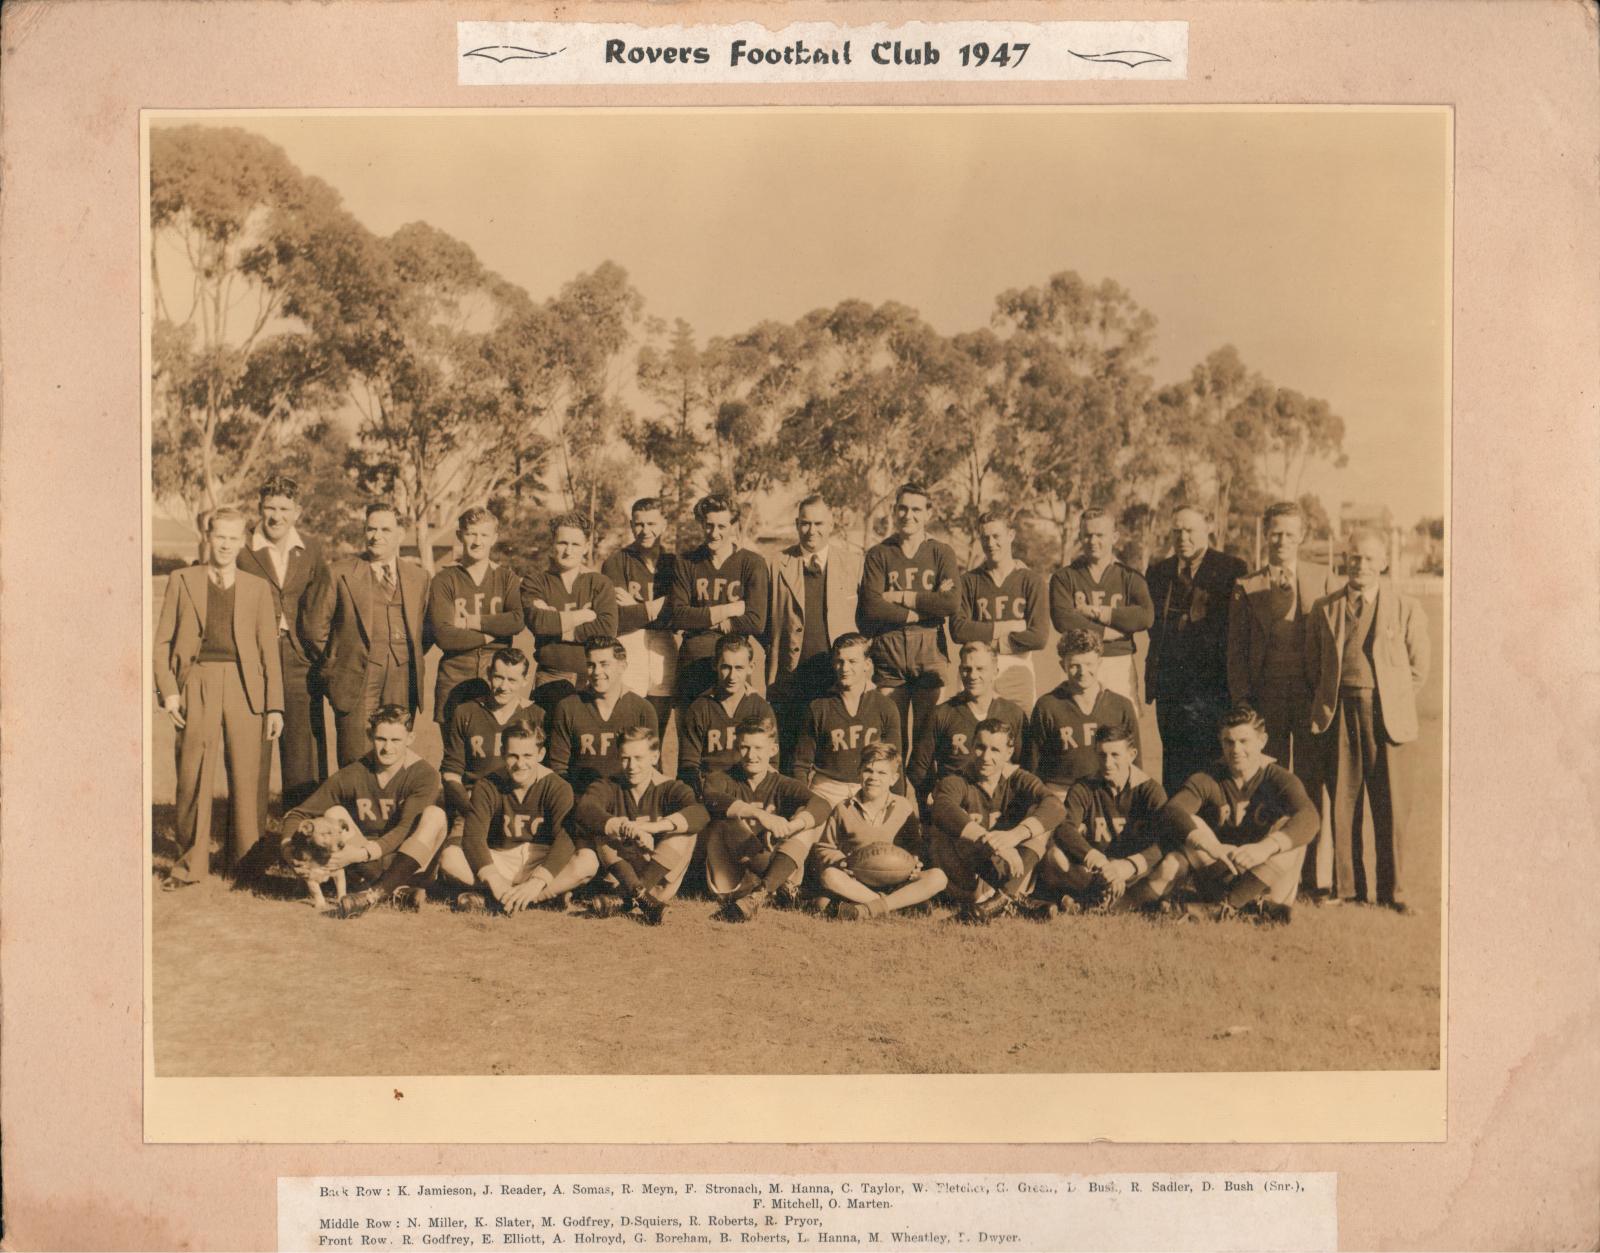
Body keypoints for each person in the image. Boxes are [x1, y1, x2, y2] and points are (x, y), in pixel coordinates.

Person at [154, 507, 285, 886]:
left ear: (243, 540)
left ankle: (244, 867)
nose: (226, 544)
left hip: (246, 688)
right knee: (192, 774)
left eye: (233, 537)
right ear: (208, 537)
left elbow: (267, 650)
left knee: (246, 777)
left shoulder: (257, 588)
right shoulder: (182, 579)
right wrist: (170, 693)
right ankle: (188, 867)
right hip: (197, 682)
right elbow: (162, 642)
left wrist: (274, 705)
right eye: (220, 537)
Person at [1306, 528, 1430, 912]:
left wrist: (1388, 698)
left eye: (1369, 558)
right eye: (1354, 557)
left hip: (1386, 716)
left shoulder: (1405, 607)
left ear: (1384, 563)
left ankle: (1394, 892)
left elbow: (1419, 669)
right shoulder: (1325, 607)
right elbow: (1314, 666)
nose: (1360, 565)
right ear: (1345, 560)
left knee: (1390, 805)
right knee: (1344, 803)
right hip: (1340, 712)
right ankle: (1348, 890)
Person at [1226, 500, 1337, 893]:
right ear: (1265, 534)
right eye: (1276, 533)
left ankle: (1312, 880)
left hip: (1307, 702)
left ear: (1302, 537)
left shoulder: (1324, 579)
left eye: (1291, 534)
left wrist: (1324, 699)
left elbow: (1332, 650)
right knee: (1268, 784)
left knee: (1309, 784)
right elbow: (1235, 653)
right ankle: (1266, 871)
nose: (1282, 541)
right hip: (1265, 702)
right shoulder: (1247, 585)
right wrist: (1244, 705)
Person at [1141, 705, 1319, 922]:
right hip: (1220, 874)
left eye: (1244, 741)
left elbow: (1310, 816)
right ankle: (1250, 910)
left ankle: (1222, 908)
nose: (1236, 750)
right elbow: (1172, 811)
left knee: (1292, 827)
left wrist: (1265, 848)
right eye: (1229, 742)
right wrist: (1211, 846)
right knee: (1192, 822)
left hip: (1265, 878)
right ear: (1220, 742)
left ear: (1262, 741)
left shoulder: (1278, 777)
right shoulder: (1209, 777)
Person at [280, 704, 449, 918]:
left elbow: (405, 828)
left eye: (396, 740)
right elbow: (299, 814)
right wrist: (287, 849)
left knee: (436, 815)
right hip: (369, 865)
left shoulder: (424, 774)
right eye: (381, 739)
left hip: (410, 862)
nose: (387, 748)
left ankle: (377, 894)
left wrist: (360, 854)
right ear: (370, 735)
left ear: (410, 738)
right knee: (335, 813)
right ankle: (396, 893)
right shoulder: (355, 773)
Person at [301, 502, 430, 767]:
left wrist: (402, 656)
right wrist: (334, 666)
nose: (376, 536)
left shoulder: (418, 577)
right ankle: (352, 808)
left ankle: (394, 808)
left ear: (400, 534)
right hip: (355, 677)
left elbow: (424, 633)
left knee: (396, 750)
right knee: (355, 755)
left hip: (402, 676)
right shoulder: (340, 572)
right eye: (371, 529)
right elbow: (314, 629)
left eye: (385, 529)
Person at [236, 473, 329, 817]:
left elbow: (322, 605)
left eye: (284, 508)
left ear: (298, 511)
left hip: (298, 660)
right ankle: (250, 845)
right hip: (253, 660)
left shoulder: (313, 550)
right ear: (259, 508)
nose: (276, 516)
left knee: (303, 756)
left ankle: (303, 837)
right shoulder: (242, 548)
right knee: (252, 752)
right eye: (269, 507)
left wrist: (315, 652)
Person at [438, 720, 597, 914]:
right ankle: (528, 898)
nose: (520, 764)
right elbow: (473, 837)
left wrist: (539, 881)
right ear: (503, 753)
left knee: (588, 861)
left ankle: (520, 898)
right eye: (513, 756)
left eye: (527, 756)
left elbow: (565, 839)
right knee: (449, 858)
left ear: (541, 754)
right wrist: (494, 879)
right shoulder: (487, 785)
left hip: (541, 859)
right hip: (501, 858)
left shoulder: (558, 787)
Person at [1145, 505, 1247, 794]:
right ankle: (1178, 831)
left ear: (1209, 528)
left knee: (1211, 766)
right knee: (1174, 766)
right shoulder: (1157, 572)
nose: (1182, 537)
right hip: (1169, 689)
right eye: (1177, 530)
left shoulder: (1231, 569)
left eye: (1190, 530)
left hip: (1211, 689)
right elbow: (1154, 627)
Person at [858, 481, 961, 758]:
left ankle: (929, 800)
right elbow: (871, 607)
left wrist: (901, 597)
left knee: (928, 737)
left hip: (929, 648)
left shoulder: (941, 552)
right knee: (891, 739)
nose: (909, 515)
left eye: (916, 509)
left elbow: (950, 603)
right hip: (889, 649)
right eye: (902, 508)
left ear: (929, 513)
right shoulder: (879, 554)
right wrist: (925, 608)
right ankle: (895, 800)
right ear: (894, 511)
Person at [927, 719, 1065, 922]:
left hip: (1004, 870)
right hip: (968, 875)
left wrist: (1014, 836)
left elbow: (1055, 806)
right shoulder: (958, 779)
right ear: (972, 746)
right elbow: (942, 808)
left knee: (1042, 825)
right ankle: (1013, 900)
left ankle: (1000, 900)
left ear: (1009, 753)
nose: (986, 757)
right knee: (955, 827)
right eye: (980, 747)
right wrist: (994, 842)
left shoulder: (1019, 779)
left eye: (995, 750)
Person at [766, 494, 862, 772]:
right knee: (790, 753)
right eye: (805, 524)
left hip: (835, 674)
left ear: (831, 525)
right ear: (797, 525)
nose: (812, 531)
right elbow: (766, 627)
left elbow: (865, 622)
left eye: (819, 523)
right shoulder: (776, 564)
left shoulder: (853, 564)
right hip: (790, 676)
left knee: (834, 752)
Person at [572, 726, 708, 923]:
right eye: (625, 758)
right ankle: (642, 899)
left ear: (654, 757)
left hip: (660, 877)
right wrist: (619, 825)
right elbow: (585, 808)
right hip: (622, 875)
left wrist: (651, 827)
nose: (631, 766)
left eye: (639, 758)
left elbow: (700, 813)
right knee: (602, 828)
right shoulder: (609, 786)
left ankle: (624, 899)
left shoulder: (670, 787)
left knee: (684, 831)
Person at [701, 715, 830, 920]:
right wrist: (760, 815)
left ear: (773, 750)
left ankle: (761, 894)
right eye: (745, 747)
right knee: (727, 819)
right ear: (736, 747)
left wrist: (791, 826)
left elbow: (822, 805)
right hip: (735, 874)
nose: (751, 755)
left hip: (773, 867)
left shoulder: (782, 783)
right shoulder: (722, 778)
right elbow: (711, 797)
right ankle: (773, 891)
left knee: (807, 824)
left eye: (759, 748)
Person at [1034, 724, 1169, 912]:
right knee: (1054, 857)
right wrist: (1098, 861)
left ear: (1132, 754)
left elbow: (1165, 838)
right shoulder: (1084, 787)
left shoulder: (1150, 790)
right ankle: (1114, 901)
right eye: (1102, 755)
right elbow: (1064, 828)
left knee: (1175, 863)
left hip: (1134, 872)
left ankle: (1099, 902)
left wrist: (1129, 865)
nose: (1107, 763)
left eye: (1115, 755)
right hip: (1095, 873)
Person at [810, 742, 947, 921]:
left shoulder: (903, 807)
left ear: (894, 778)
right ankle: (896, 906)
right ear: (859, 772)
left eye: (882, 772)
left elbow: (915, 846)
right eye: (868, 770)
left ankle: (866, 910)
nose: (874, 777)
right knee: (829, 876)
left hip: (897, 880)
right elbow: (824, 847)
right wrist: (842, 861)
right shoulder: (843, 809)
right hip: (858, 882)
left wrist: (915, 863)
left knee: (938, 877)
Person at [425, 506, 524, 730]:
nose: (477, 541)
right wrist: (491, 635)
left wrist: (471, 622)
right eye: (471, 534)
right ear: (460, 535)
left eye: (484, 535)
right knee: (454, 754)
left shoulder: (506, 578)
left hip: (499, 675)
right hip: (455, 672)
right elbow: (444, 636)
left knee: (494, 751)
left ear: (494, 538)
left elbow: (517, 620)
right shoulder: (445, 579)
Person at [669, 493, 769, 707]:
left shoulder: (752, 563)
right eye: (709, 525)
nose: (714, 533)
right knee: (691, 734)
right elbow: (678, 616)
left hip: (735, 666)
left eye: (722, 526)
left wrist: (702, 619)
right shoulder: (687, 562)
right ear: (701, 524)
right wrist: (729, 611)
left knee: (734, 736)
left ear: (734, 526)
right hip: (693, 663)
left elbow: (756, 621)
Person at [1048, 507, 1154, 704]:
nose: (1093, 541)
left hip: (1118, 661)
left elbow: (1145, 616)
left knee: (1122, 727)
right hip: (1077, 662)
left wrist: (1095, 612)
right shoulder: (1064, 577)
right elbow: (1063, 619)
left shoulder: (1130, 577)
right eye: (1087, 535)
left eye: (1100, 535)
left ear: (1114, 537)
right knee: (1078, 722)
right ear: (1080, 537)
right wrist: (1105, 633)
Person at [1024, 629, 1142, 798]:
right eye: (1074, 665)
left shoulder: (1121, 706)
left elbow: (1136, 765)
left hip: (1107, 793)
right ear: (1062, 665)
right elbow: (1033, 768)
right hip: (1061, 793)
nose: (1082, 672)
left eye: (1089, 664)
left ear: (1099, 663)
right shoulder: (1047, 706)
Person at [522, 512, 618, 718]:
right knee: (549, 746)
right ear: (552, 543)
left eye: (575, 544)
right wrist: (584, 614)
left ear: (585, 547)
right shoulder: (535, 581)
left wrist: (557, 623)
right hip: (550, 677)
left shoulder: (599, 583)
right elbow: (538, 622)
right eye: (562, 543)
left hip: (593, 678)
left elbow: (606, 629)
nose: (568, 551)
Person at [791, 632, 903, 809]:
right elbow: (801, 765)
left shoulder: (885, 706)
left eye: (852, 661)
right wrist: (803, 804)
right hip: (827, 788)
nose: (844, 668)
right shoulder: (819, 707)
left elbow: (895, 764)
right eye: (839, 661)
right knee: (803, 834)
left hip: (870, 786)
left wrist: (896, 805)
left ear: (867, 664)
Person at [950, 508, 1048, 707]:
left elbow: (1039, 637)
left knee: (1020, 729)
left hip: (1018, 667)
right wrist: (1007, 627)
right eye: (985, 537)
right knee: (973, 730)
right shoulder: (969, 581)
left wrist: (987, 640)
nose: (991, 543)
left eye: (997, 536)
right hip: (976, 668)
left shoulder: (1031, 580)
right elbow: (959, 630)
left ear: (1011, 535)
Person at [906, 640, 1026, 803]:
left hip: (997, 806)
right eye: (966, 669)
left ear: (995, 672)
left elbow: (1025, 765)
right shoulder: (942, 714)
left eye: (980, 669)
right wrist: (937, 797)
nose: (973, 676)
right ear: (960, 670)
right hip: (956, 805)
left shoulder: (1013, 713)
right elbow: (918, 768)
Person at [601, 497, 680, 734]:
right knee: (629, 728)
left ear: (664, 524)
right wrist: (656, 606)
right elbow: (618, 619)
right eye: (639, 524)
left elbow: (678, 615)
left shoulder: (675, 563)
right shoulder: (616, 562)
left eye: (652, 523)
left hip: (663, 647)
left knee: (657, 726)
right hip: (628, 644)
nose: (645, 530)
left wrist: (636, 606)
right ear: (631, 524)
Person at [544, 636, 660, 797]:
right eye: (591, 665)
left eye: (604, 664)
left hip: (625, 801)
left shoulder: (642, 709)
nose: (597, 672)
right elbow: (558, 768)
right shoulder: (568, 707)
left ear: (622, 666)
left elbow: (652, 768)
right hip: (580, 799)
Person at [438, 647, 542, 824]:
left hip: (518, 811)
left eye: (512, 680)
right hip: (473, 805)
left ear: (525, 681)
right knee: (451, 852)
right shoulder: (466, 712)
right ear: (488, 673)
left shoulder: (536, 716)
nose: (503, 687)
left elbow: (544, 773)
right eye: (498, 677)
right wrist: (468, 807)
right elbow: (451, 771)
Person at [676, 633, 775, 793]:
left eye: (739, 668)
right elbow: (688, 766)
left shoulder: (760, 708)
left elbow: (771, 765)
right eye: (726, 667)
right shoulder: (700, 708)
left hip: (748, 790)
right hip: (710, 791)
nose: (732, 676)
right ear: (715, 665)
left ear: (751, 668)